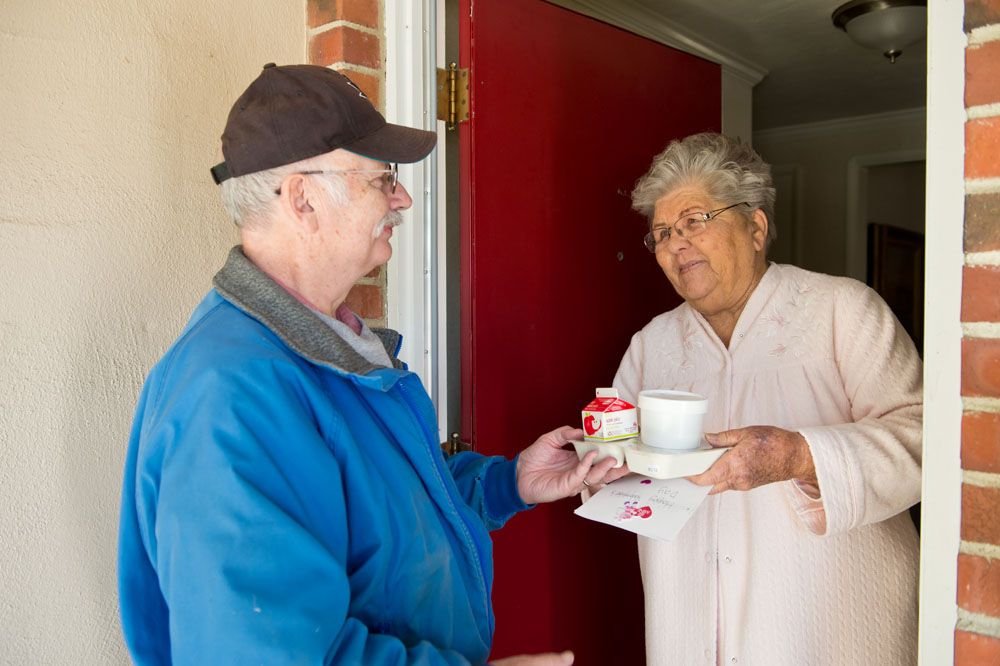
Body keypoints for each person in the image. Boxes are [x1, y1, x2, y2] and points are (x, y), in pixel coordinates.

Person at [117, 63, 625, 666]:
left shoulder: (329, 346)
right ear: (302, 198)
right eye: (383, 179)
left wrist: (507, 483)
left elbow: (379, 512)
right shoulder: (232, 395)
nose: (402, 197)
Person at [613, 132, 922, 665]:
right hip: (689, 620)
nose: (676, 243)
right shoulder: (652, 345)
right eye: (661, 233)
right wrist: (598, 457)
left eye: (695, 221)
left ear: (755, 227)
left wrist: (800, 457)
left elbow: (924, 439)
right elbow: (618, 460)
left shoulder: (841, 310)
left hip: (825, 625)